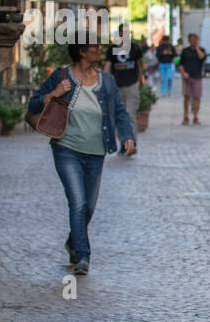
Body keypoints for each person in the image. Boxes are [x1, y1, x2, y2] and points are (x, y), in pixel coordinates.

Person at [27, 40, 136, 276]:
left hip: (96, 151)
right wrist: (55, 93)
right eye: (94, 48)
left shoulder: (106, 80)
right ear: (81, 52)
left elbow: (119, 110)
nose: (99, 51)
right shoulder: (62, 76)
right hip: (66, 148)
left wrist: (127, 136)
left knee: (89, 206)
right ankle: (82, 256)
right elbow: (33, 103)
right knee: (77, 202)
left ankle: (73, 241)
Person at [107, 25, 145, 153]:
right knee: (119, 116)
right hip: (117, 86)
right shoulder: (113, 48)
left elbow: (138, 65)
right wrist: (106, 82)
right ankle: (124, 144)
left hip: (132, 85)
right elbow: (108, 65)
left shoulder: (134, 48)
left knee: (130, 114)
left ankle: (132, 144)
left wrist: (141, 80)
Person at [179, 32, 207, 125]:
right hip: (187, 77)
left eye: (195, 40)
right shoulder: (185, 51)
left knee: (197, 97)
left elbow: (202, 57)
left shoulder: (202, 50)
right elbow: (180, 64)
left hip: (197, 77)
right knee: (186, 97)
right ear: (189, 41)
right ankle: (186, 116)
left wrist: (197, 48)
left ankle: (195, 116)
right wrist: (183, 73)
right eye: (191, 40)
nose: (193, 41)